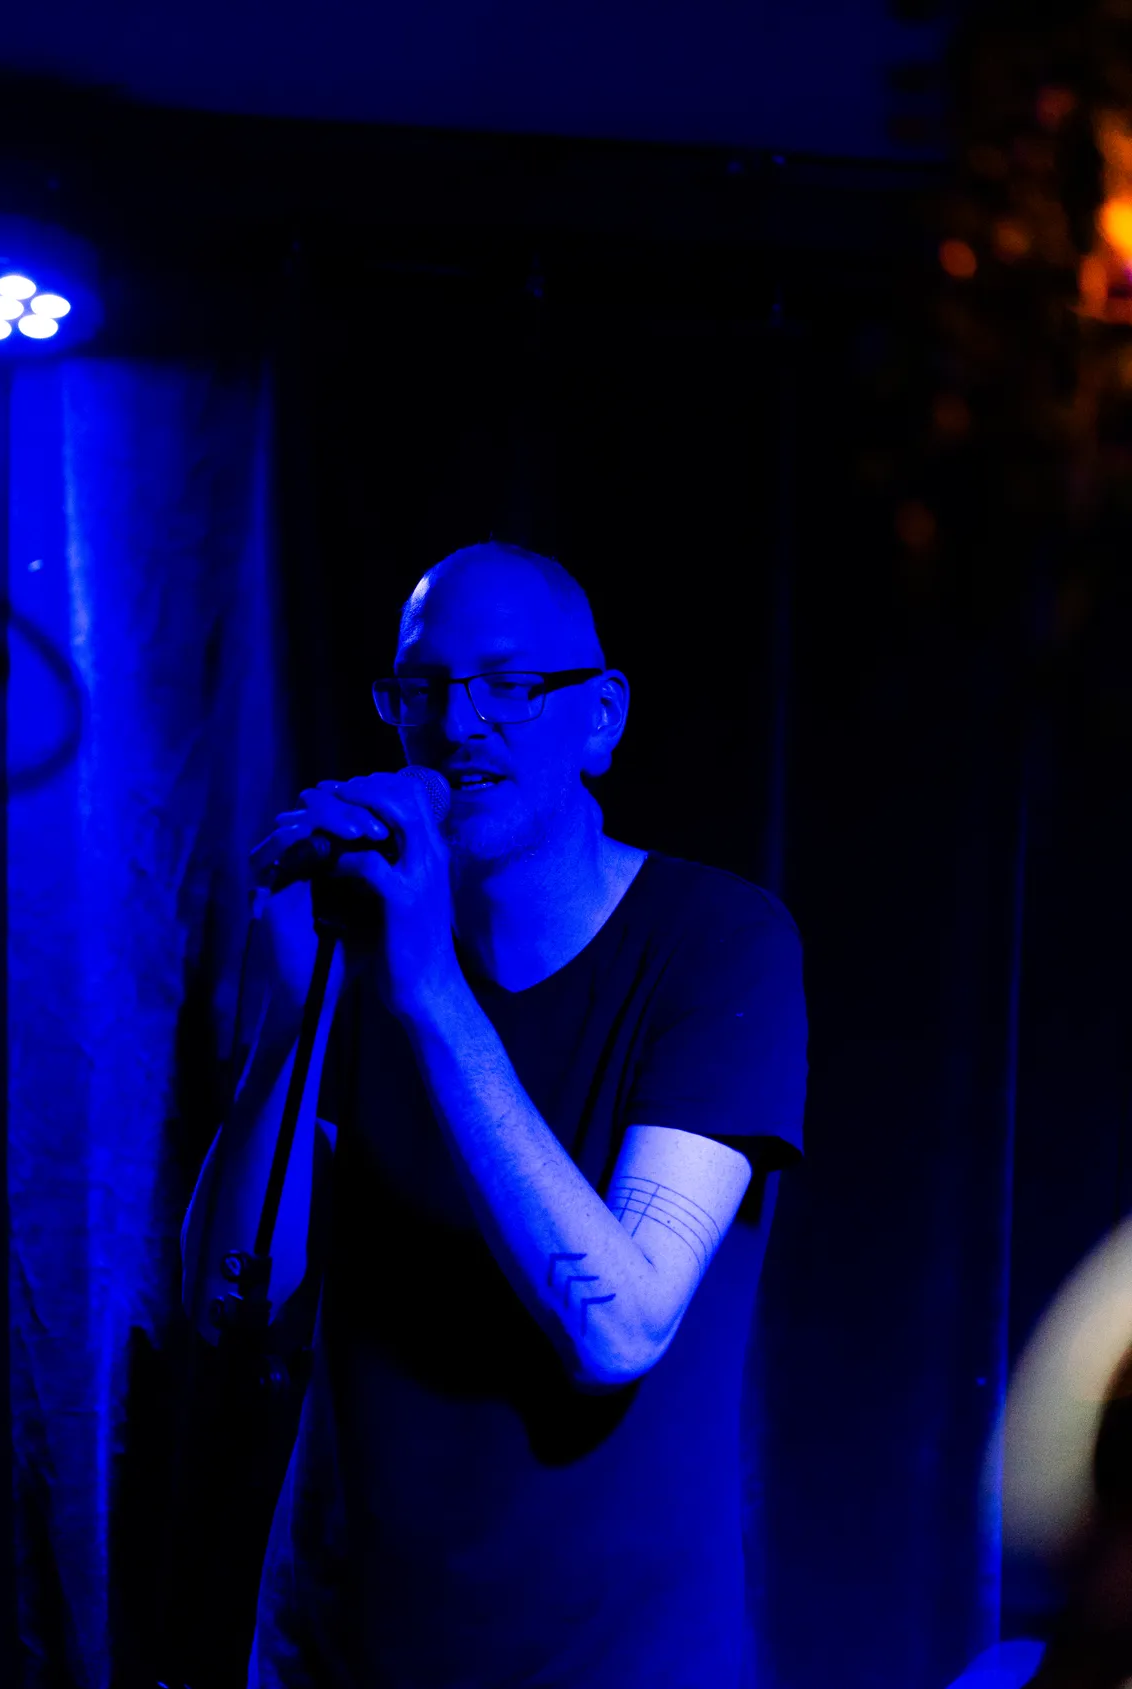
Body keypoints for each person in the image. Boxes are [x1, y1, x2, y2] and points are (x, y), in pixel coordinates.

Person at [181, 540, 808, 1689]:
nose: (460, 725)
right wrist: (288, 1016)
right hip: (341, 1650)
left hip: (612, 1662)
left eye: (510, 686)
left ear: (601, 718)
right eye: (423, 689)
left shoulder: (718, 942)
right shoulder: (359, 947)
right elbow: (236, 1301)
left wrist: (427, 992)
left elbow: (618, 1331)